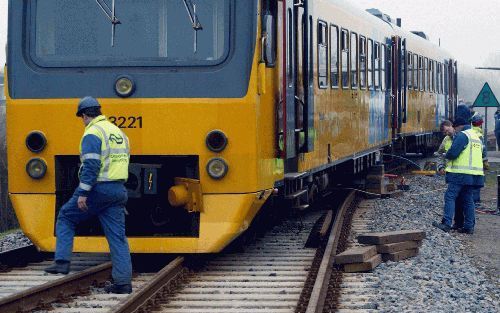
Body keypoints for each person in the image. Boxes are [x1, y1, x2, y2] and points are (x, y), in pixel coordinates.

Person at [44, 97, 133, 294]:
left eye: (81, 118)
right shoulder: (118, 132)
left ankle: (61, 262)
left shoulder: (93, 133)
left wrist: (83, 193)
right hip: (118, 189)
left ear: (84, 115)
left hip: (97, 188)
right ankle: (123, 283)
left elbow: (92, 166)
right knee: (117, 238)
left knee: (66, 217)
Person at [433, 105, 484, 234]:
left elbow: (452, 153)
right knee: (468, 199)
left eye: (455, 128)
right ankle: (469, 226)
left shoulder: (462, 135)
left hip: (460, 174)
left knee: (450, 196)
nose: (454, 130)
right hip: (474, 175)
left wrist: (446, 154)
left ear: (458, 126)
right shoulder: (475, 135)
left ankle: (446, 223)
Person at [436, 120, 463, 229]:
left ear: (451, 126)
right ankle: (458, 223)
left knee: (453, 197)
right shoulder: (446, 140)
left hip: (460, 174)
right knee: (457, 198)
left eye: (447, 130)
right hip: (451, 174)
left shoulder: (461, 138)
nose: (446, 133)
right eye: (444, 132)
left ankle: (449, 223)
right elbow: (440, 154)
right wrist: (441, 167)